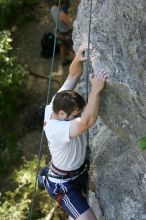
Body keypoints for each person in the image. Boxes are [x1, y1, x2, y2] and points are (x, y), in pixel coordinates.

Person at [42, 44, 107, 220]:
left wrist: (78, 58)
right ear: (62, 114)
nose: (77, 116)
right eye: (74, 115)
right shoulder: (56, 129)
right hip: (63, 183)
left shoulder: (58, 102)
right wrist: (95, 90)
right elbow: (87, 121)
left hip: (78, 171)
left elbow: (73, 74)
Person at [50, 0, 74, 66]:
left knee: (62, 46)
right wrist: (69, 17)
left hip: (59, 32)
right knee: (73, 48)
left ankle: (63, 61)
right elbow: (70, 24)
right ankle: (78, 63)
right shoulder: (62, 14)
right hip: (66, 34)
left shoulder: (52, 8)